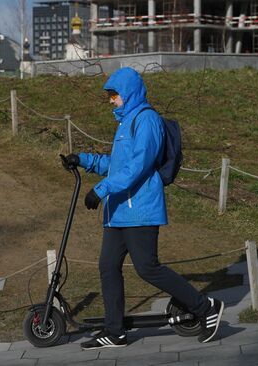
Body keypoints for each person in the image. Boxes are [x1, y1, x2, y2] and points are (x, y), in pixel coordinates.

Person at [64, 67, 224, 350]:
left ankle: (206, 307)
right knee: (108, 266)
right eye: (110, 96)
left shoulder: (147, 120)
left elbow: (138, 167)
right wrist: (83, 159)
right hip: (118, 214)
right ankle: (115, 332)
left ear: (129, 93)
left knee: (147, 268)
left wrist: (100, 190)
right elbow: (116, 165)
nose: (111, 100)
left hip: (140, 209)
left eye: (114, 95)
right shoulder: (124, 123)